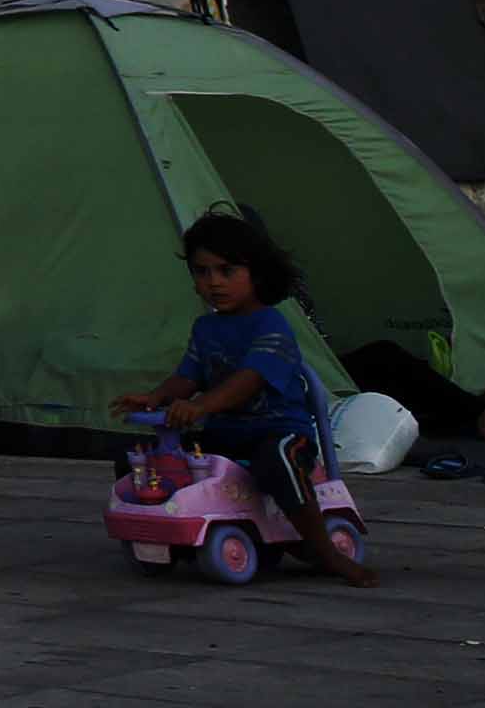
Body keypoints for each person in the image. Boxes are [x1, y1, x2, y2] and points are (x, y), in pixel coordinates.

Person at [117, 207, 380, 588]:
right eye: (202, 272)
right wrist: (155, 397)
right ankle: (158, 527)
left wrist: (200, 406)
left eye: (227, 271)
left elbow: (249, 380)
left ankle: (325, 551)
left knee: (278, 460)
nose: (214, 282)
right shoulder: (205, 328)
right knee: (147, 458)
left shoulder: (270, 324)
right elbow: (187, 376)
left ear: (256, 272)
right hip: (226, 433)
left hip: (280, 431)